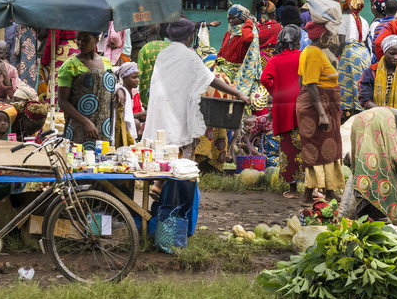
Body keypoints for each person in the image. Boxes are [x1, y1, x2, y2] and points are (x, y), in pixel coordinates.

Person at [141, 19, 250, 154]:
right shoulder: (189, 55)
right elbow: (211, 80)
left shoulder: (163, 53)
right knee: (177, 146)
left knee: (160, 143)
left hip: (161, 105)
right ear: (190, 36)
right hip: (176, 108)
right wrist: (238, 93)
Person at [294, 21, 346, 204]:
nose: (331, 40)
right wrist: (322, 114)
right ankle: (308, 193)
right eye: (329, 36)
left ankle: (330, 190)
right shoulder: (313, 54)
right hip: (317, 107)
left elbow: (302, 81)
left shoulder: (311, 51)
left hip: (323, 103)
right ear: (322, 37)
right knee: (314, 149)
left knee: (330, 147)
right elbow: (311, 85)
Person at [259, 25, 304, 192]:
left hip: (284, 109)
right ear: (299, 42)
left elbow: (265, 78)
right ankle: (311, 188)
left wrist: (276, 92)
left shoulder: (275, 60)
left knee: (288, 148)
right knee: (307, 146)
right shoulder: (303, 57)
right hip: (304, 107)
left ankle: (292, 190)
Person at [56, 31, 120, 147]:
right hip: (78, 129)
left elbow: (107, 90)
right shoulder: (69, 66)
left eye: (86, 40)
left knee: (102, 161)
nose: (80, 43)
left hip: (103, 128)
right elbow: (62, 102)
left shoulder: (107, 63)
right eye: (78, 39)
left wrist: (118, 91)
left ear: (96, 39)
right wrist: (86, 122)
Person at [356, 34, 397, 113]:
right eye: (392, 54)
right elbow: (364, 97)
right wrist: (382, 112)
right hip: (375, 115)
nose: (395, 57)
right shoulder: (371, 72)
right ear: (384, 52)